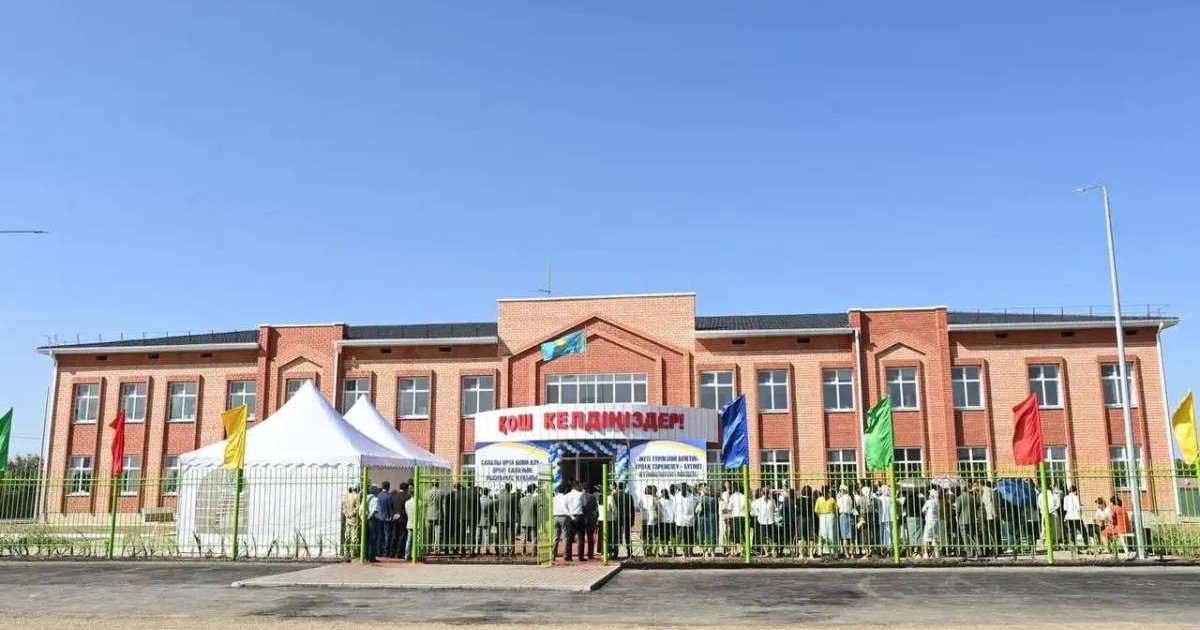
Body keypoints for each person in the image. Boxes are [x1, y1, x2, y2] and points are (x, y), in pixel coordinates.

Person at [955, 482, 980, 558]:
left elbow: (958, 510)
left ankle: (969, 552)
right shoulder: (972, 497)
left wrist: (957, 517)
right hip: (972, 519)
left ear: (962, 489)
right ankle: (979, 550)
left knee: (965, 537)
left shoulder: (959, 498)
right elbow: (976, 507)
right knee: (974, 536)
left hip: (963, 520)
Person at [673, 484, 699, 557]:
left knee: (687, 537)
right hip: (685, 520)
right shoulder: (691, 496)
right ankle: (687, 552)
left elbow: (674, 508)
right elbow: (696, 504)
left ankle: (688, 552)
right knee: (687, 537)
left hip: (685, 520)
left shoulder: (678, 496)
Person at [751, 487, 777, 557]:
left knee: (765, 538)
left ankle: (767, 552)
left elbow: (753, 512)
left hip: (764, 521)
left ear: (762, 493)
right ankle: (771, 551)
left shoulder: (758, 501)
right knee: (771, 537)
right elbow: (775, 509)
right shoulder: (772, 500)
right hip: (766, 521)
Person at [697, 484, 720, 558]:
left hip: (703, 519)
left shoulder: (701, 499)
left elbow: (698, 510)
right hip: (713, 518)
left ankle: (705, 551)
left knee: (703, 535)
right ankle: (712, 551)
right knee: (712, 535)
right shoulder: (715, 499)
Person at [613, 483, 635, 559]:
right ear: (625, 487)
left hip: (617, 518)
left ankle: (616, 553)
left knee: (617, 536)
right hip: (627, 518)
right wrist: (632, 520)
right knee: (628, 536)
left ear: (618, 487)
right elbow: (632, 510)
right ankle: (629, 552)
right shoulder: (629, 496)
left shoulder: (614, 496)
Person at [565, 481, 586, 561]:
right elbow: (584, 504)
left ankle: (568, 556)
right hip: (579, 516)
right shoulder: (581, 494)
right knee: (581, 537)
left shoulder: (567, 496)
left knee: (569, 537)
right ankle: (580, 556)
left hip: (570, 516)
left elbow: (565, 506)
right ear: (577, 486)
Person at [814, 486, 838, 558]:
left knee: (828, 534)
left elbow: (835, 510)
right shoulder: (823, 500)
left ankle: (829, 551)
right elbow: (816, 511)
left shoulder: (830, 500)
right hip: (825, 516)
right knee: (825, 534)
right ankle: (826, 551)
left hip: (827, 516)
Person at [1063, 485, 1086, 551]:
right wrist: (1081, 506)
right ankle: (1086, 543)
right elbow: (1078, 507)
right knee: (1083, 530)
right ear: (1075, 491)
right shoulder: (1076, 497)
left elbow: (1065, 508)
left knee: (1072, 532)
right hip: (1076, 516)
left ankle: (1074, 546)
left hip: (1069, 517)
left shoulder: (1065, 498)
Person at [495, 483, 516, 557]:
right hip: (510, 518)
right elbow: (514, 509)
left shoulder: (499, 496)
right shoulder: (512, 497)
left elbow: (496, 507)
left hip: (500, 518)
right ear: (510, 488)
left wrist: (499, 514)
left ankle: (501, 552)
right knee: (510, 536)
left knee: (501, 536)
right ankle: (510, 551)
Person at [855, 483, 876, 558]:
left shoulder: (861, 499)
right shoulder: (871, 500)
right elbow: (874, 508)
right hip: (870, 517)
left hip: (863, 517)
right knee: (871, 534)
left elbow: (857, 506)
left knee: (864, 535)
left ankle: (867, 550)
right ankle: (871, 549)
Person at [519, 483, 540, 556]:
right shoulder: (536, 499)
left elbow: (520, 510)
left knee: (523, 537)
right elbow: (538, 510)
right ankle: (534, 552)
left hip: (524, 520)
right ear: (533, 490)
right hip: (533, 520)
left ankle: (523, 552)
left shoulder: (521, 499)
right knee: (534, 537)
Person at [580, 482, 599, 560]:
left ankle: (580, 555)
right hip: (590, 519)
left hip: (581, 519)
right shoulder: (592, 497)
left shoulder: (579, 496)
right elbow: (595, 508)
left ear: (582, 488)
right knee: (590, 537)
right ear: (588, 489)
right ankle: (590, 554)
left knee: (581, 538)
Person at [836, 485, 856, 558]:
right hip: (850, 516)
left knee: (844, 537)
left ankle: (846, 553)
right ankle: (852, 554)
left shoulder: (840, 499)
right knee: (851, 537)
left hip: (843, 516)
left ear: (842, 491)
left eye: (840, 490)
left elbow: (837, 507)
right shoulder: (851, 497)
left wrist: (837, 498)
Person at [726, 484, 746, 556]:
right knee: (743, 534)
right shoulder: (744, 496)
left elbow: (729, 508)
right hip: (743, 517)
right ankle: (742, 551)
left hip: (735, 517)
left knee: (733, 534)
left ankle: (732, 551)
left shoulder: (732, 497)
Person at [552, 483, 571, 560]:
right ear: (565, 490)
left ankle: (553, 554)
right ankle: (566, 555)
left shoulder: (554, 498)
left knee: (555, 537)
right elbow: (569, 508)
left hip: (555, 517)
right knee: (565, 537)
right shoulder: (566, 498)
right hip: (564, 517)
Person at [425, 480, 444, 556]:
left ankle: (429, 548)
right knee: (438, 532)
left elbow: (426, 503)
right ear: (437, 484)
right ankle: (437, 548)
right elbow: (443, 503)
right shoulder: (441, 492)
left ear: (431, 484)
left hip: (429, 514)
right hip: (438, 514)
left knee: (429, 532)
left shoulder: (427, 493)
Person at [392, 482, 411, 559]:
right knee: (402, 536)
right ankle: (399, 553)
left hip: (395, 518)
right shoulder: (407, 497)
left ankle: (393, 552)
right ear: (406, 489)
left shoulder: (394, 496)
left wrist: (394, 514)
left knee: (395, 535)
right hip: (403, 519)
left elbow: (391, 506)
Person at [341, 485, 360, 560]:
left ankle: (346, 552)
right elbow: (357, 507)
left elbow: (344, 507)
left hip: (347, 518)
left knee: (347, 535)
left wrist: (346, 514)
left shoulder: (345, 496)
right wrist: (352, 513)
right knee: (354, 536)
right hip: (354, 519)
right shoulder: (357, 496)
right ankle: (353, 553)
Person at [641, 485, 660, 557]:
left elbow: (640, 507)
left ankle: (645, 550)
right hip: (652, 519)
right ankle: (650, 550)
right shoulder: (653, 498)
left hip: (644, 519)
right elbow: (657, 507)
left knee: (645, 536)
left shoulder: (642, 498)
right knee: (652, 536)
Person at [922, 487, 941, 559]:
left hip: (929, 520)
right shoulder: (937, 502)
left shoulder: (928, 502)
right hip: (936, 521)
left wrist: (926, 513)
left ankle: (926, 554)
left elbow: (923, 510)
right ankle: (936, 553)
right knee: (935, 537)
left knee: (926, 537)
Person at [658, 487, 676, 557]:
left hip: (663, 521)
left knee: (664, 537)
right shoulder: (671, 500)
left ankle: (665, 550)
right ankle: (672, 550)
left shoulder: (660, 501)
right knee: (671, 536)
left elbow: (659, 510)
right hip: (671, 520)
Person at [477, 487, 495, 555]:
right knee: (487, 535)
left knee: (479, 535)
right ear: (487, 492)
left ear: (482, 492)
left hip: (479, 519)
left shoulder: (479, 500)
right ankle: (487, 549)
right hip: (487, 520)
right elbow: (492, 512)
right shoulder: (490, 501)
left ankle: (478, 549)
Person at [876, 484, 893, 554]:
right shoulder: (890, 498)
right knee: (888, 534)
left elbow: (877, 508)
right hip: (889, 518)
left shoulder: (879, 498)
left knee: (882, 533)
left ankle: (883, 547)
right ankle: (888, 547)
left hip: (882, 518)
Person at [402, 491, 417, 560]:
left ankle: (406, 555)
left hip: (410, 522)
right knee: (417, 540)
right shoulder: (418, 502)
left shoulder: (407, 502)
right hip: (417, 523)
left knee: (409, 540)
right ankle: (415, 554)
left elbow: (406, 512)